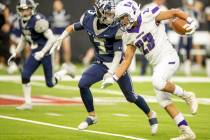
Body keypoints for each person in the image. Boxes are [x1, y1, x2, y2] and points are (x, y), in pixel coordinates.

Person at [50, 0, 158, 134]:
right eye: (108, 13)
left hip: (117, 65)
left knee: (130, 96)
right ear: (100, 12)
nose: (112, 17)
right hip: (100, 63)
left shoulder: (117, 27)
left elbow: (118, 55)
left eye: (113, 14)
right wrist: (62, 36)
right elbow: (73, 26)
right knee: (83, 84)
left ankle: (150, 114)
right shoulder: (89, 18)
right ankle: (92, 116)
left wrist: (112, 74)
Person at [102, 0, 198, 139]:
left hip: (169, 57)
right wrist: (114, 77)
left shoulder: (149, 15)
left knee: (157, 82)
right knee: (163, 100)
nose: (122, 21)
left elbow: (174, 12)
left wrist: (190, 20)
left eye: (123, 17)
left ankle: (187, 95)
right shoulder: (128, 34)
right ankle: (186, 131)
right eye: (121, 19)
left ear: (132, 13)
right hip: (158, 65)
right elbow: (127, 60)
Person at [7, 0, 72, 110]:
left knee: (50, 83)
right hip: (34, 51)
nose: (24, 12)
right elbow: (24, 38)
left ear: (32, 9)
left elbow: (52, 38)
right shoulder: (20, 20)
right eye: (22, 9)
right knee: (25, 75)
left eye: (26, 9)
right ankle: (28, 103)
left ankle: (65, 70)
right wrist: (15, 52)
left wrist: (42, 52)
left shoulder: (38, 20)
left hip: (46, 52)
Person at [49, 0, 75, 71]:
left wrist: (68, 33)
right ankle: (56, 64)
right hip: (55, 34)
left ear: (61, 5)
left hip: (65, 34)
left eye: (58, 4)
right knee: (56, 50)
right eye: (56, 5)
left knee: (67, 49)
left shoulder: (66, 13)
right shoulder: (52, 15)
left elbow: (70, 24)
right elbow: (50, 25)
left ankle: (67, 63)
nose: (57, 6)